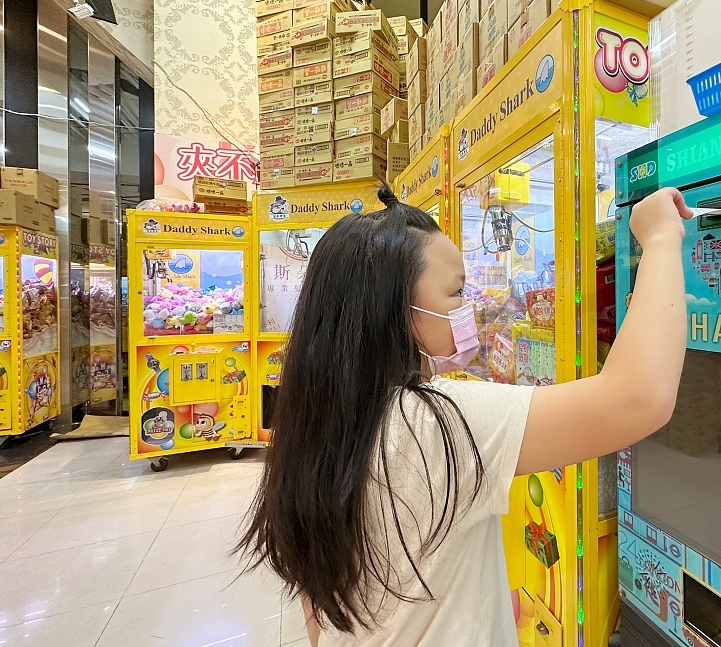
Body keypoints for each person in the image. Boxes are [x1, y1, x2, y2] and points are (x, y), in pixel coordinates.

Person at [237, 184, 694, 646]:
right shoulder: (437, 423)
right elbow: (637, 398)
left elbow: (316, 609)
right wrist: (659, 238)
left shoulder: (315, 421)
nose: (468, 306)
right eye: (456, 292)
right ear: (394, 307)